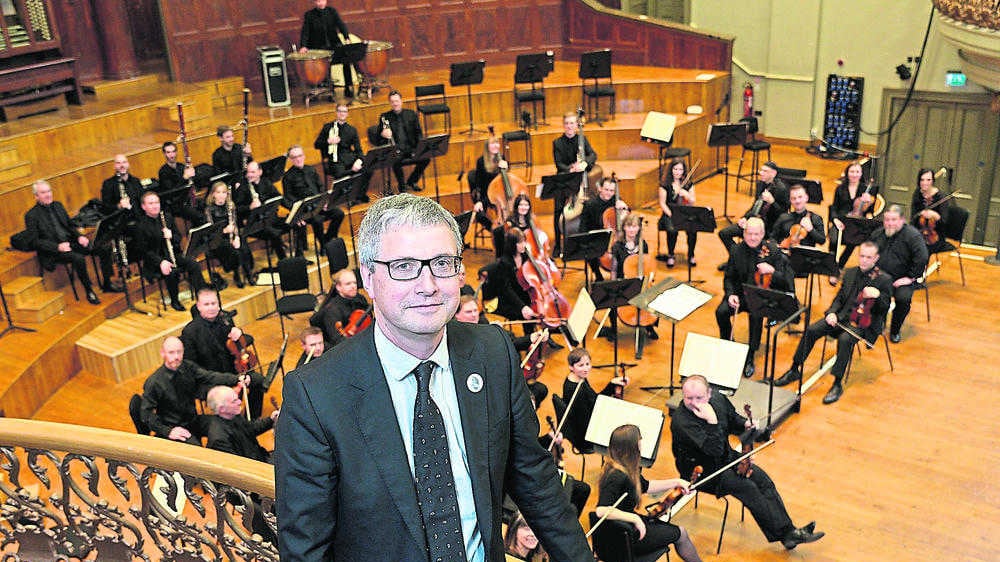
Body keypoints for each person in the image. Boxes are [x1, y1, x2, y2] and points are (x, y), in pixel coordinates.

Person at [274, 193, 590, 561]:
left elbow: (535, 479)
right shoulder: (314, 395)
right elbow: (305, 551)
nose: (428, 286)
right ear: (368, 278)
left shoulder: (493, 352)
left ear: (459, 272)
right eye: (404, 266)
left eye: (442, 263)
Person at [671, 375, 824, 550]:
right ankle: (786, 534)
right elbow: (714, 450)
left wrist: (746, 424)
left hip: (725, 459)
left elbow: (732, 419)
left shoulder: (718, 400)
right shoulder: (682, 422)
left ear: (709, 393)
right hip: (701, 473)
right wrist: (712, 421)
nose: (694, 403)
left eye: (699, 397)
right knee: (747, 488)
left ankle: (789, 532)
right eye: (688, 398)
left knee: (762, 479)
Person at [773, 241, 893, 403]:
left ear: (876, 258)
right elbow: (839, 298)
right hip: (841, 317)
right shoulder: (850, 272)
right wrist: (831, 313)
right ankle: (794, 368)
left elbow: (884, 309)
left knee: (844, 340)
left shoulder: (884, 280)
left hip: (864, 323)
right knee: (812, 330)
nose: (864, 260)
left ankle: (837, 383)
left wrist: (878, 296)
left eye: (868, 257)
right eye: (862, 256)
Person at [595, 424, 703, 562]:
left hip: (625, 527)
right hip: (622, 536)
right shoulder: (616, 476)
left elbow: (646, 486)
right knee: (681, 534)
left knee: (676, 531)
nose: (641, 442)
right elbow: (601, 510)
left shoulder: (624, 466)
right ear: (632, 447)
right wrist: (635, 519)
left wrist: (677, 482)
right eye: (639, 439)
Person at [715, 217, 794, 378]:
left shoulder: (772, 251)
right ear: (744, 233)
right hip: (739, 295)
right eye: (749, 233)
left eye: (756, 234)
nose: (752, 237)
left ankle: (750, 354)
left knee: (756, 315)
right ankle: (728, 344)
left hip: (761, 296)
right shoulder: (736, 250)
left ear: (763, 234)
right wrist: (730, 295)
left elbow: (785, 282)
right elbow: (729, 277)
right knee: (721, 312)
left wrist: (772, 271)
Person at [140, 336, 249, 445]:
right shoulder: (154, 382)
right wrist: (168, 431)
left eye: (179, 352)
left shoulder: (188, 367)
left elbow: (210, 376)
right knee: (196, 449)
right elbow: (146, 414)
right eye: (171, 353)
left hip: (193, 420)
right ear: (162, 353)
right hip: (174, 426)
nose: (176, 357)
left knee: (226, 425)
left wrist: (237, 378)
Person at [24, 180, 119, 304]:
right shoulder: (31, 215)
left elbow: (69, 225)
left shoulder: (58, 205)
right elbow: (35, 242)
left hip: (71, 243)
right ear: (36, 196)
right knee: (78, 258)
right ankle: (89, 291)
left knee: (103, 247)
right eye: (43, 193)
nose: (48, 195)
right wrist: (58, 247)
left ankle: (107, 283)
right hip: (54, 251)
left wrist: (79, 236)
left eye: (49, 191)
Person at [179, 288, 265, 417]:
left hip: (232, 370)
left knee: (258, 380)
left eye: (214, 303)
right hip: (209, 379)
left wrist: (238, 335)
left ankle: (252, 419)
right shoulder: (190, 332)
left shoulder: (225, 319)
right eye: (206, 304)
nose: (211, 308)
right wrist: (231, 381)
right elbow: (193, 368)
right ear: (199, 306)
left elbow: (235, 348)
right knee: (226, 395)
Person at [133, 191, 209, 311]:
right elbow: (144, 251)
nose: (155, 206)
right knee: (171, 271)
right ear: (143, 207)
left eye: (156, 202)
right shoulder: (140, 226)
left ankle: (202, 295)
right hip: (154, 261)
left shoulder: (167, 217)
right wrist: (160, 262)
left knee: (193, 264)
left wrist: (171, 235)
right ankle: (175, 300)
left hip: (172, 254)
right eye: (151, 203)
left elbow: (178, 238)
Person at [869, 205, 928, 343]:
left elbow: (922, 257)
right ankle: (879, 323)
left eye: (893, 220)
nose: (889, 223)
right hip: (880, 277)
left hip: (902, 279)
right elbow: (869, 252)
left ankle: (895, 329)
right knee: (868, 290)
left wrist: (910, 278)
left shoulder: (913, 236)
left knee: (903, 299)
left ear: (902, 220)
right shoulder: (878, 234)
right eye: (887, 220)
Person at [717, 160, 789, 267]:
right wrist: (745, 218)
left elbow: (784, 214)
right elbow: (755, 206)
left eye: (765, 171)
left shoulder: (781, 189)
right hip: (753, 221)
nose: (761, 173)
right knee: (724, 233)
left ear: (773, 173)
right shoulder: (760, 184)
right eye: (761, 170)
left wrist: (772, 202)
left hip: (768, 227)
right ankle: (736, 259)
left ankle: (749, 262)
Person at [560, 348, 627, 454]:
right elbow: (595, 406)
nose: (586, 368)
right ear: (571, 367)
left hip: (585, 421)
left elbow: (593, 399)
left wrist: (612, 383)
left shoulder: (578, 378)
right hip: (585, 436)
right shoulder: (576, 390)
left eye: (587, 364)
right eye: (580, 365)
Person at [281, 144, 345, 255]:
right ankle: (323, 246)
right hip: (304, 210)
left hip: (318, 205)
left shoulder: (311, 169)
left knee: (339, 213)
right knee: (317, 220)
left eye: (300, 156)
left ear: (304, 156)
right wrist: (298, 212)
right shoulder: (287, 177)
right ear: (291, 159)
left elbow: (321, 188)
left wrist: (325, 201)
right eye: (294, 157)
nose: (298, 159)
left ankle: (327, 238)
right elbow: (288, 198)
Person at [552, 111, 597, 256]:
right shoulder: (557, 143)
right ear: (563, 125)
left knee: (586, 208)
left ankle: (581, 240)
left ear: (577, 125)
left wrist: (584, 164)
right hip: (565, 179)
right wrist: (572, 168)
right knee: (558, 209)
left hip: (580, 181)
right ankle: (558, 245)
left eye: (572, 123)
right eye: (567, 123)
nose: (569, 126)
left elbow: (593, 155)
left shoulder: (582, 139)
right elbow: (559, 164)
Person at [609, 212, 657, 341]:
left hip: (641, 280)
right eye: (629, 226)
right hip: (623, 282)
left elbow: (647, 265)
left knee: (653, 296)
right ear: (624, 228)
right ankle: (613, 330)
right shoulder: (617, 246)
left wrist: (648, 280)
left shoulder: (643, 245)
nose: (631, 230)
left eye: (634, 227)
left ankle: (650, 326)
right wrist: (614, 284)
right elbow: (613, 269)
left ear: (639, 228)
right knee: (612, 300)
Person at [827, 161, 877, 284]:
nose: (854, 174)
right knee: (833, 240)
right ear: (847, 173)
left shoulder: (865, 189)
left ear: (861, 174)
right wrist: (835, 220)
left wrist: (869, 202)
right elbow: (833, 207)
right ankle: (832, 268)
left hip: (857, 222)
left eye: (857, 172)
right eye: (852, 171)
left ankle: (840, 266)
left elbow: (870, 211)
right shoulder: (840, 188)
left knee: (854, 240)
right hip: (842, 220)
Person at [205, 385, 278, 463]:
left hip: (260, 457)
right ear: (222, 409)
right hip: (255, 467)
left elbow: (250, 429)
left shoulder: (233, 415)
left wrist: (271, 419)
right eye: (234, 401)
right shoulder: (219, 439)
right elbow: (238, 466)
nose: (240, 402)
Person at [314, 103, 370, 203]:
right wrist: (328, 141)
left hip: (349, 157)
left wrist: (359, 160)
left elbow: (358, 149)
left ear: (347, 113)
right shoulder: (327, 127)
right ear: (336, 113)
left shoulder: (352, 130)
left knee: (368, 168)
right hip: (334, 160)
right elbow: (316, 145)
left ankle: (359, 195)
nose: (342, 113)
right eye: (340, 111)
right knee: (341, 173)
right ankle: (348, 197)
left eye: (344, 111)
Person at [298, 0, 355, 98]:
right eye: (318, 1)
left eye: (322, 0)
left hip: (334, 44)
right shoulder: (309, 15)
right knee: (324, 67)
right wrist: (303, 46)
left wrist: (346, 37)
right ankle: (329, 90)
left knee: (346, 59)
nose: (320, 3)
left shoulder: (332, 11)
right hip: (319, 48)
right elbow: (305, 32)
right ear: (314, 2)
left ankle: (348, 86)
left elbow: (341, 24)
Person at [204, 181, 254, 288]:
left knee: (244, 247)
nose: (221, 195)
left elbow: (234, 223)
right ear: (213, 194)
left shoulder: (230, 206)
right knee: (233, 251)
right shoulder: (209, 210)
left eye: (224, 192)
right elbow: (211, 231)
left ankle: (248, 273)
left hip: (231, 235)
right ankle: (236, 274)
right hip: (217, 240)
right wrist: (224, 231)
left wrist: (236, 237)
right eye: (218, 192)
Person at [235, 160, 287, 261]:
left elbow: (278, 198)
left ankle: (299, 255)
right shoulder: (242, 188)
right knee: (274, 233)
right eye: (248, 172)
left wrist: (294, 209)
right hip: (254, 224)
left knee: (294, 222)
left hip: (270, 218)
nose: (249, 175)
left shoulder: (266, 182)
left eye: (252, 172)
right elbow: (237, 209)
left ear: (260, 172)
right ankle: (284, 261)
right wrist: (249, 207)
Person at [579, 176, 629, 282]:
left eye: (612, 190)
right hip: (597, 237)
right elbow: (582, 227)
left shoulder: (616, 201)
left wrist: (625, 208)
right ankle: (597, 275)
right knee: (590, 251)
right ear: (600, 188)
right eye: (606, 189)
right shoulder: (590, 205)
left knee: (627, 247)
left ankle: (620, 275)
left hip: (614, 237)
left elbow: (628, 220)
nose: (609, 193)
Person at [377, 90, 429, 192]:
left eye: (396, 101)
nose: (395, 103)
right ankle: (402, 186)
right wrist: (383, 134)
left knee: (426, 158)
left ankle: (412, 181)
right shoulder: (385, 117)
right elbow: (378, 138)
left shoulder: (411, 114)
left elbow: (419, 133)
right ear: (390, 103)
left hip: (411, 148)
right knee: (394, 160)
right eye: (392, 102)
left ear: (401, 101)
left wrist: (419, 149)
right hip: (396, 150)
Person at [309, 268, 369, 347]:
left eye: (354, 283)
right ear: (338, 287)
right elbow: (337, 341)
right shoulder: (332, 310)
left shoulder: (360, 299)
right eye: (348, 284)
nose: (353, 286)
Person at [657, 157, 698, 267]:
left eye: (680, 169)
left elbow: (693, 201)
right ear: (671, 169)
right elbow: (662, 204)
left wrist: (686, 195)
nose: (678, 172)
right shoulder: (665, 184)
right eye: (675, 169)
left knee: (693, 229)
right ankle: (670, 255)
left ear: (684, 171)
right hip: (669, 213)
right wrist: (672, 215)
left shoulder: (688, 184)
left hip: (684, 212)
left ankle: (691, 255)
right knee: (672, 230)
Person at [469, 133, 507, 243]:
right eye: (492, 143)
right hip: (486, 195)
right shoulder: (481, 162)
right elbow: (479, 184)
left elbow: (506, 181)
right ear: (487, 146)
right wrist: (480, 201)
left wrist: (506, 168)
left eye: (497, 143)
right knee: (480, 215)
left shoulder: (502, 159)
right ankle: (495, 231)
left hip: (500, 196)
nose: (496, 146)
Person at [156, 141, 205, 227]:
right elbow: (172, 192)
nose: (172, 155)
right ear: (164, 154)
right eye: (168, 152)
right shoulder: (163, 171)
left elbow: (192, 183)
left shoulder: (181, 166)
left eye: (173, 151)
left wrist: (194, 175)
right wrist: (184, 178)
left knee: (206, 206)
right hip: (177, 205)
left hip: (188, 199)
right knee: (198, 216)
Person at [770, 183, 826, 250]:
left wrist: (811, 229)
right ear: (790, 200)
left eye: (800, 197)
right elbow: (772, 238)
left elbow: (822, 241)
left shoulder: (815, 218)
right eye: (794, 198)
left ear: (806, 198)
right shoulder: (783, 217)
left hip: (806, 257)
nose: (797, 201)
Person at [910, 167, 952, 252]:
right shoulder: (917, 194)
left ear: (933, 181)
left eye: (928, 180)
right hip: (919, 232)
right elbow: (913, 218)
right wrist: (920, 214)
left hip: (935, 236)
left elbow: (944, 222)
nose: (925, 183)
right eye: (922, 180)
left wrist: (935, 216)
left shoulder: (941, 196)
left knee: (920, 249)